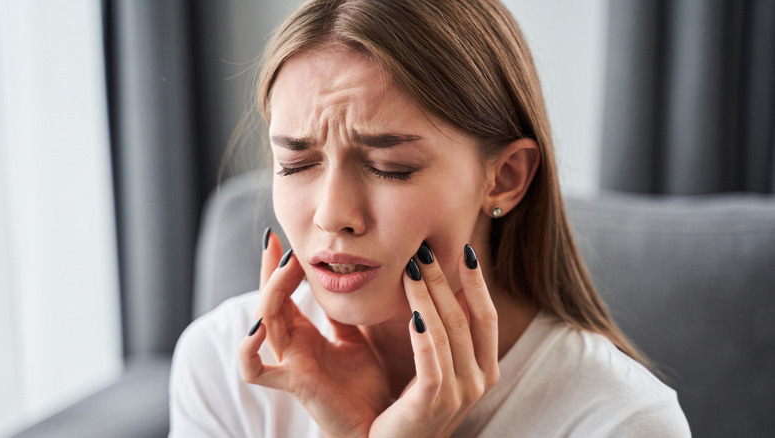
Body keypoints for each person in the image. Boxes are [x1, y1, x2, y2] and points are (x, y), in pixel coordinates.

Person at [169, 0, 691, 436]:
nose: (332, 215)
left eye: (389, 168)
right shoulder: (222, 362)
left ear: (505, 178)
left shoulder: (623, 421)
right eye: (296, 163)